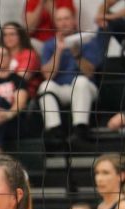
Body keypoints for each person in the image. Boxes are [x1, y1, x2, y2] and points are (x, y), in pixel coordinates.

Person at [38, 7, 99, 148]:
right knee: (45, 86)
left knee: (81, 80)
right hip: (62, 89)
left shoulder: (87, 40)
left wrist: (76, 54)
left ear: (73, 21)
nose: (63, 23)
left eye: (66, 18)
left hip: (85, 89)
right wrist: (59, 50)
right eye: (59, 20)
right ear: (55, 24)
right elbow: (48, 75)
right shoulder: (49, 45)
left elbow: (90, 72)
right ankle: (55, 132)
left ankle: (80, 130)